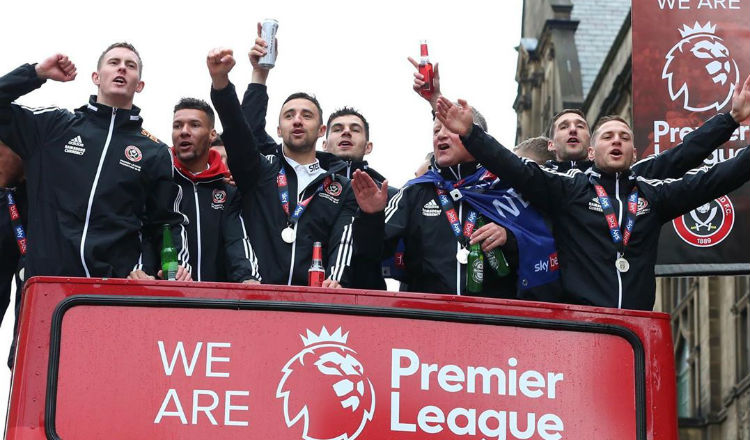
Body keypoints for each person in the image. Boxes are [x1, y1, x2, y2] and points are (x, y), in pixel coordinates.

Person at [434, 73, 750, 310]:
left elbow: (711, 176)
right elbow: (514, 167)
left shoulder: (653, 194)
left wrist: (732, 119)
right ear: (592, 152)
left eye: (624, 137)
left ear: (635, 152)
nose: (616, 141)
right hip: (581, 326)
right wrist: (472, 134)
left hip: (636, 332)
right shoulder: (569, 189)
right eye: (608, 136)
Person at [0, 43, 190, 280]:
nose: (122, 68)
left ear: (139, 85)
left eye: (130, 66)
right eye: (114, 63)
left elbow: (164, 222)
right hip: (48, 283)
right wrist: (37, 72)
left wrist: (165, 268)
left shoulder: (155, 151)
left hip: (114, 291)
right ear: (96, 77)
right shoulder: (54, 126)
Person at [207, 47, 357, 287]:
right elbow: (239, 131)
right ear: (278, 130)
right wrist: (223, 83)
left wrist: (335, 281)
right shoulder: (260, 170)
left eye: (306, 115)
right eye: (289, 116)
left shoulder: (342, 187)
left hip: (314, 308)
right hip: (258, 299)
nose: (297, 120)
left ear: (321, 131)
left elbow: (344, 242)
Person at [170, 98, 261, 283]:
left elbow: (237, 240)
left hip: (214, 302)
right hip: (166, 296)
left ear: (212, 135)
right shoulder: (162, 180)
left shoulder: (228, 190)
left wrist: (247, 277)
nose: (184, 132)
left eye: (194, 125)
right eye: (178, 126)